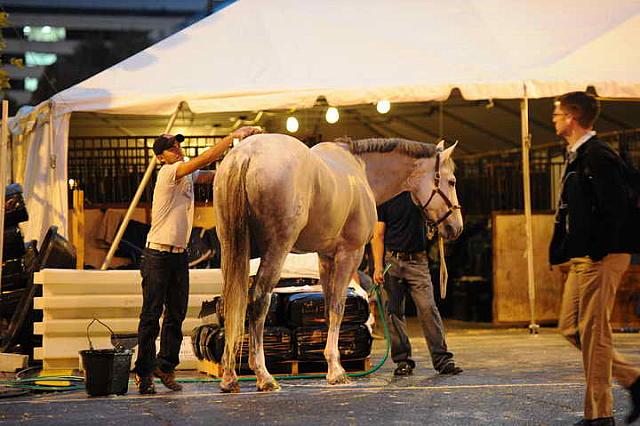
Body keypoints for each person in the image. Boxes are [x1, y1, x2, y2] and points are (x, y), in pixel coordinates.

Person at [134, 126, 262, 394]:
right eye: (171, 148)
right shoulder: (168, 172)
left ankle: (165, 366)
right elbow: (203, 161)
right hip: (157, 254)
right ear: (160, 157)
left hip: (178, 255)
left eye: (178, 146)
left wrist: (242, 165)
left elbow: (213, 173)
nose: (177, 150)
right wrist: (232, 138)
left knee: (176, 313)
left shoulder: (186, 174)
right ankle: (144, 372)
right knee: (151, 315)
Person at [549, 91, 640, 425]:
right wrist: (561, 250)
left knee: (594, 333)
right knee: (572, 328)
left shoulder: (598, 156)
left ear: (572, 117)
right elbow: (572, 211)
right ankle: (634, 380)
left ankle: (599, 416)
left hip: (601, 257)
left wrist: (597, 250)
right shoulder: (578, 155)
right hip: (585, 257)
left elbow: (614, 208)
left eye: (558, 113)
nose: (554, 118)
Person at [371, 191, 462, 376]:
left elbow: (438, 215)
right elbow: (378, 234)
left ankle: (442, 359)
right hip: (392, 260)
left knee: (428, 307)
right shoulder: (385, 198)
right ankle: (402, 360)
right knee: (393, 312)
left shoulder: (421, 197)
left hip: (417, 261)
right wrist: (378, 266)